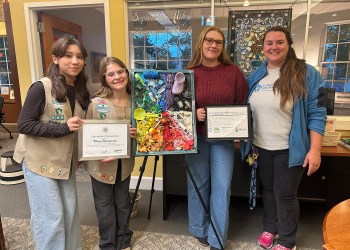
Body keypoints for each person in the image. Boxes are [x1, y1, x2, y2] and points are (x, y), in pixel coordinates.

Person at [243, 26, 326, 250]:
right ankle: (271, 228)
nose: (274, 47)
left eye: (279, 42)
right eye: (269, 43)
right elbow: (245, 110)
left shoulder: (307, 73)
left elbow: (318, 113)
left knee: (286, 195)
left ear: (288, 44)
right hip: (260, 147)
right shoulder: (255, 75)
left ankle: (288, 240)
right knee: (268, 190)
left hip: (290, 149)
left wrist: (315, 149)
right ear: (262, 48)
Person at [13, 37, 90, 250]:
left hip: (66, 162)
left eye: (80, 57)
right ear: (55, 58)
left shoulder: (82, 90)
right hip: (39, 162)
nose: (75, 61)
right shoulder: (41, 87)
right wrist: (62, 128)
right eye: (68, 55)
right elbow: (24, 125)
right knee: (51, 218)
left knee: (70, 214)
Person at [185, 26, 248, 250]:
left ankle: (217, 237)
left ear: (222, 47)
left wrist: (240, 132)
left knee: (222, 186)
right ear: (201, 43)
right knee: (198, 185)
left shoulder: (234, 73)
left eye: (218, 42)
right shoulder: (188, 73)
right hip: (196, 139)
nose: (213, 45)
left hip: (223, 140)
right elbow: (178, 108)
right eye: (209, 40)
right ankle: (199, 228)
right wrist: (194, 113)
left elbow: (242, 104)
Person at [84, 57, 136, 250]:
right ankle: (107, 244)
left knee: (123, 202)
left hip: (125, 163)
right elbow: (87, 135)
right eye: (111, 74)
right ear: (104, 78)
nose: (117, 77)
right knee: (104, 205)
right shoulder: (97, 103)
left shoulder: (136, 101)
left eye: (120, 71)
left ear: (126, 73)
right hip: (101, 164)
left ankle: (123, 240)